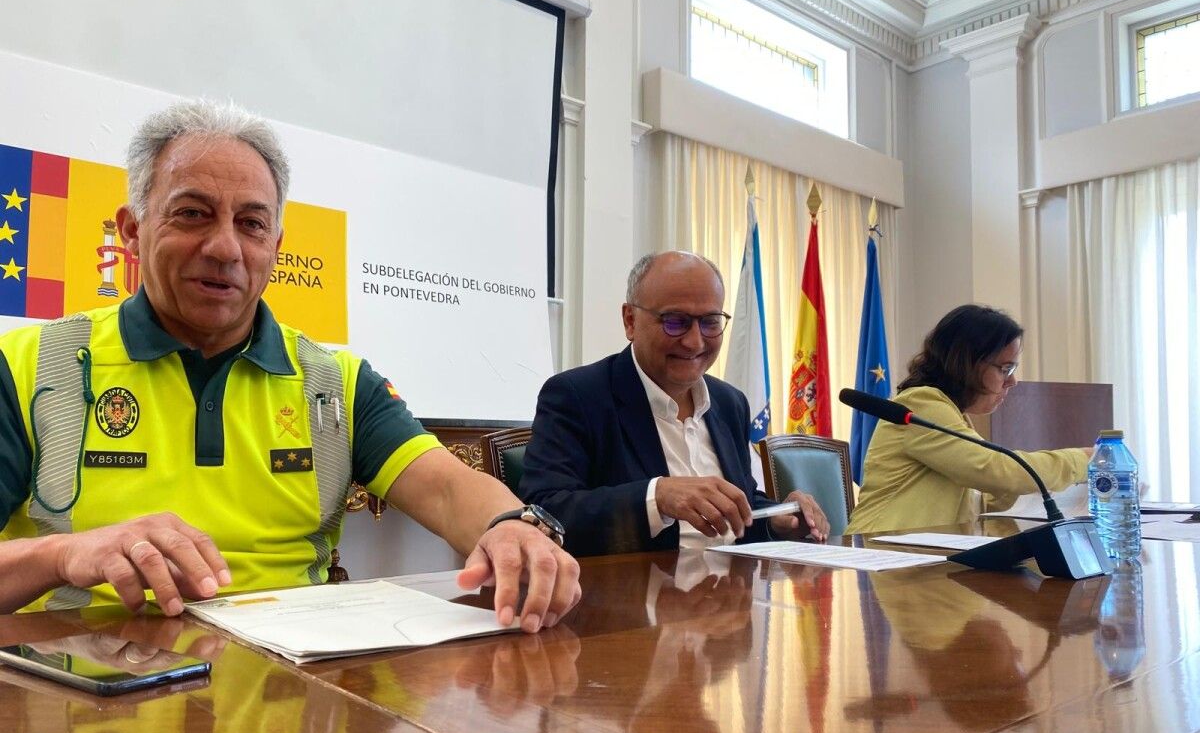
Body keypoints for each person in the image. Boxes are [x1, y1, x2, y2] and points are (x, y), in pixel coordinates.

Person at [0, 100, 580, 632]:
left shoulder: (337, 383)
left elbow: (450, 490)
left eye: (251, 223)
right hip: (80, 697)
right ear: (132, 230)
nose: (226, 248)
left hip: (289, 696)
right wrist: (66, 554)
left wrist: (511, 525)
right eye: (193, 214)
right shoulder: (31, 364)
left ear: (276, 245)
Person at [520, 251, 828, 556]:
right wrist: (657, 497)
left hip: (731, 593)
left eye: (710, 322)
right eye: (675, 322)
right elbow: (545, 512)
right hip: (635, 597)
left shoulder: (730, 403)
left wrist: (777, 518)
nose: (695, 342)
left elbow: (740, 506)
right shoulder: (577, 396)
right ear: (630, 321)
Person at [846, 304, 1089, 534]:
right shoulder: (921, 404)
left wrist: (1011, 488)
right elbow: (994, 469)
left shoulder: (952, 413)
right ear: (967, 364)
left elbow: (975, 500)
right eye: (1006, 369)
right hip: (878, 555)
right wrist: (1082, 461)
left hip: (920, 556)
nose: (1012, 382)